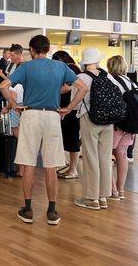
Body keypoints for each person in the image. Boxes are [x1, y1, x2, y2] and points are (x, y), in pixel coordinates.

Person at [0, 35, 88, 226]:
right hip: (52, 115)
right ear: (48, 49)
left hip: (30, 115)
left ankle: (28, 209)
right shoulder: (60, 67)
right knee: (51, 165)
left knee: (29, 163)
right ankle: (52, 211)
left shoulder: (25, 67)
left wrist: (14, 104)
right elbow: (82, 87)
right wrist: (70, 107)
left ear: (32, 49)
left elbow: (3, 85)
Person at [72, 48, 114, 211]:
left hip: (89, 119)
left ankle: (91, 198)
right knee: (105, 158)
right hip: (109, 121)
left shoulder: (80, 77)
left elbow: (75, 100)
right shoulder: (107, 76)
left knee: (90, 158)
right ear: (97, 61)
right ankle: (103, 196)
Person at [107, 55, 134, 201]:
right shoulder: (130, 82)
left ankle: (113, 191)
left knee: (106, 156)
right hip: (130, 124)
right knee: (122, 156)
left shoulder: (110, 80)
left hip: (115, 124)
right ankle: (121, 190)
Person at [52, 50, 82, 180]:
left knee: (72, 138)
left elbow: (67, 88)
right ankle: (69, 166)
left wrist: (50, 91)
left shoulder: (71, 68)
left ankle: (73, 169)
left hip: (71, 109)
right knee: (68, 137)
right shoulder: (73, 68)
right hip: (68, 108)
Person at [0, 49, 11, 115]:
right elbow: (0, 72)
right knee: (1, 99)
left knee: (3, 99)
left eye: (9, 54)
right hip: (1, 83)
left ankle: (0, 113)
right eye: (7, 53)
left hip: (4, 83)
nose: (9, 55)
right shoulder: (2, 61)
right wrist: (7, 79)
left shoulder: (6, 62)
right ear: (4, 54)